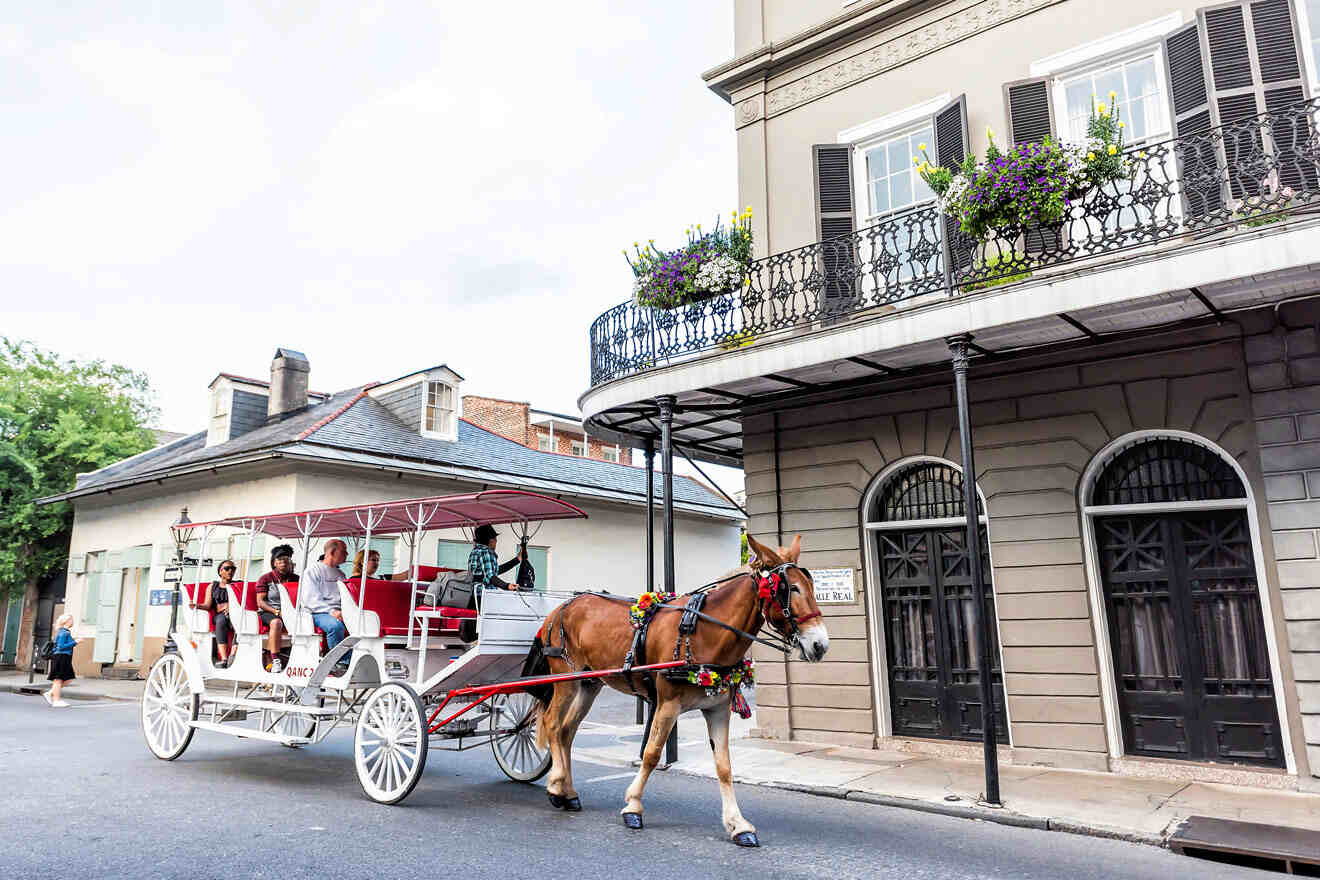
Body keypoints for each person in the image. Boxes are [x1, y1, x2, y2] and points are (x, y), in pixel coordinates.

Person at [302, 539, 351, 674]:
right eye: (344, 551)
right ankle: (340, 662)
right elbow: (310, 599)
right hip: (317, 612)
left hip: (339, 611)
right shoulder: (313, 570)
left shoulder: (341, 574)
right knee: (335, 626)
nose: (347, 554)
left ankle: (355, 659)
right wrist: (332, 611)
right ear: (332, 552)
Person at [255, 544, 299, 674]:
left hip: (291, 612)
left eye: (286, 559)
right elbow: (260, 602)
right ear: (274, 562)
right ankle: (275, 660)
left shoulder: (296, 579)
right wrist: (276, 612)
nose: (283, 562)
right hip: (269, 612)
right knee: (276, 622)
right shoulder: (266, 578)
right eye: (280, 560)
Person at [193, 560, 236, 667]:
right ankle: (224, 658)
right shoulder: (213, 586)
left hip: (236, 614)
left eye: (233, 569)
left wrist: (231, 606)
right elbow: (207, 605)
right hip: (221, 616)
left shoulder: (237, 585)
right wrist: (196, 605)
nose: (230, 571)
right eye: (227, 568)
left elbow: (242, 601)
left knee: (241, 622)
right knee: (221, 621)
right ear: (220, 571)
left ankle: (233, 654)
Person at [467, 525, 524, 593]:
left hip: (472, 593)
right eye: (496, 540)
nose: (496, 543)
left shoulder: (475, 551)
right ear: (491, 541)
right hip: (482, 596)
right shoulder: (486, 552)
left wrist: (517, 560)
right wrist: (506, 586)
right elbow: (490, 576)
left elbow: (493, 571)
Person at [45, 613, 77, 707]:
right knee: (58, 679)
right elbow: (61, 646)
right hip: (61, 657)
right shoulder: (64, 632)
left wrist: (74, 641)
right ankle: (56, 701)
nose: (72, 621)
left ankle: (51, 693)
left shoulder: (64, 631)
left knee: (68, 678)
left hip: (64, 657)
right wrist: (75, 642)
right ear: (66, 621)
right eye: (71, 619)